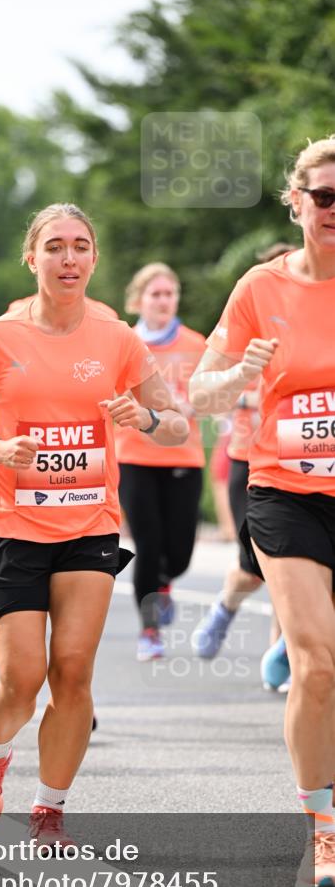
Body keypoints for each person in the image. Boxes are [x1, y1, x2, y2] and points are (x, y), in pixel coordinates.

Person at [0, 203, 189, 846]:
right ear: (32, 258)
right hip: (12, 525)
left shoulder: (117, 339)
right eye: (54, 247)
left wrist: (140, 419)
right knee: (22, 677)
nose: (69, 259)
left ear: (95, 258)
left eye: (81, 246)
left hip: (89, 525)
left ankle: (50, 806)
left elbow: (177, 424)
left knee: (74, 672)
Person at [189, 136, 335, 887]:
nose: (334, 210)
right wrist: (239, 373)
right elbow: (200, 391)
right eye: (324, 197)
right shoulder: (260, 288)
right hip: (284, 491)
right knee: (315, 662)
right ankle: (322, 833)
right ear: (297, 201)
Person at [191, 244, 295, 677]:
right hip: (251, 464)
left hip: (313, 469)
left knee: (303, 569)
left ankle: (285, 651)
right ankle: (225, 606)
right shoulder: (251, 324)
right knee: (255, 573)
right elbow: (209, 396)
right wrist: (247, 383)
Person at [115, 263, 206, 661]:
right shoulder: (124, 344)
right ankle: (149, 631)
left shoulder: (195, 343)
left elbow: (211, 394)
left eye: (170, 293)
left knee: (180, 550)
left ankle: (166, 580)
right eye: (156, 294)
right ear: (138, 300)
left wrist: (191, 404)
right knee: (148, 545)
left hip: (184, 453)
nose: (164, 301)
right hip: (134, 455)